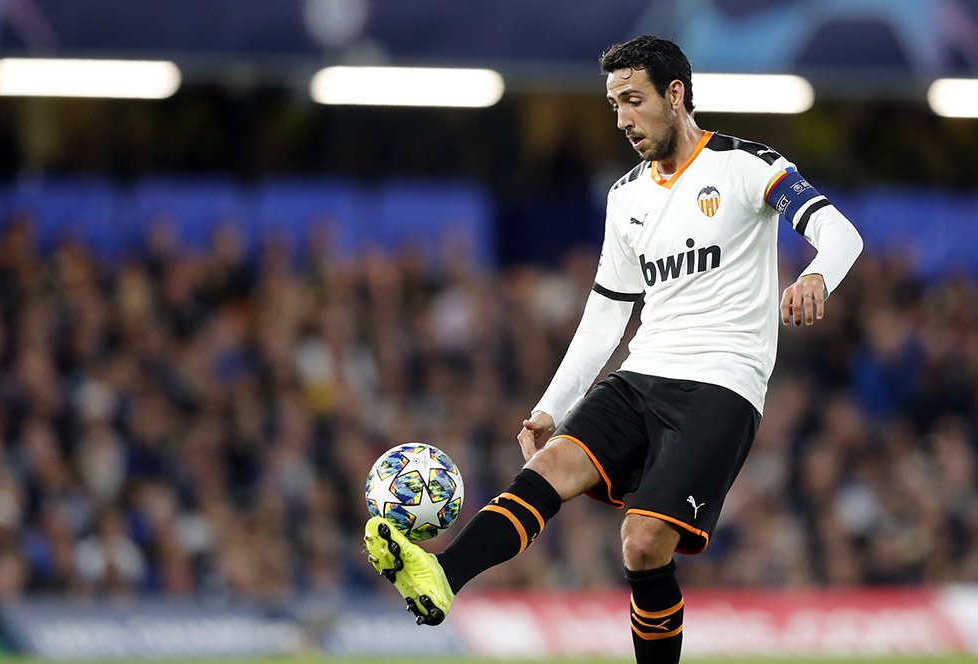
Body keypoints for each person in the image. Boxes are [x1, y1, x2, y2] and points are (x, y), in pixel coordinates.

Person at [364, 34, 863, 663]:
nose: (623, 119)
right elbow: (605, 314)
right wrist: (549, 407)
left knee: (643, 541)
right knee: (548, 469)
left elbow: (840, 232)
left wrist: (818, 274)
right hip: (642, 373)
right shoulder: (625, 197)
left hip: (721, 385)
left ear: (675, 95)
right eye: (614, 105)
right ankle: (443, 576)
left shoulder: (744, 166)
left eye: (633, 100)